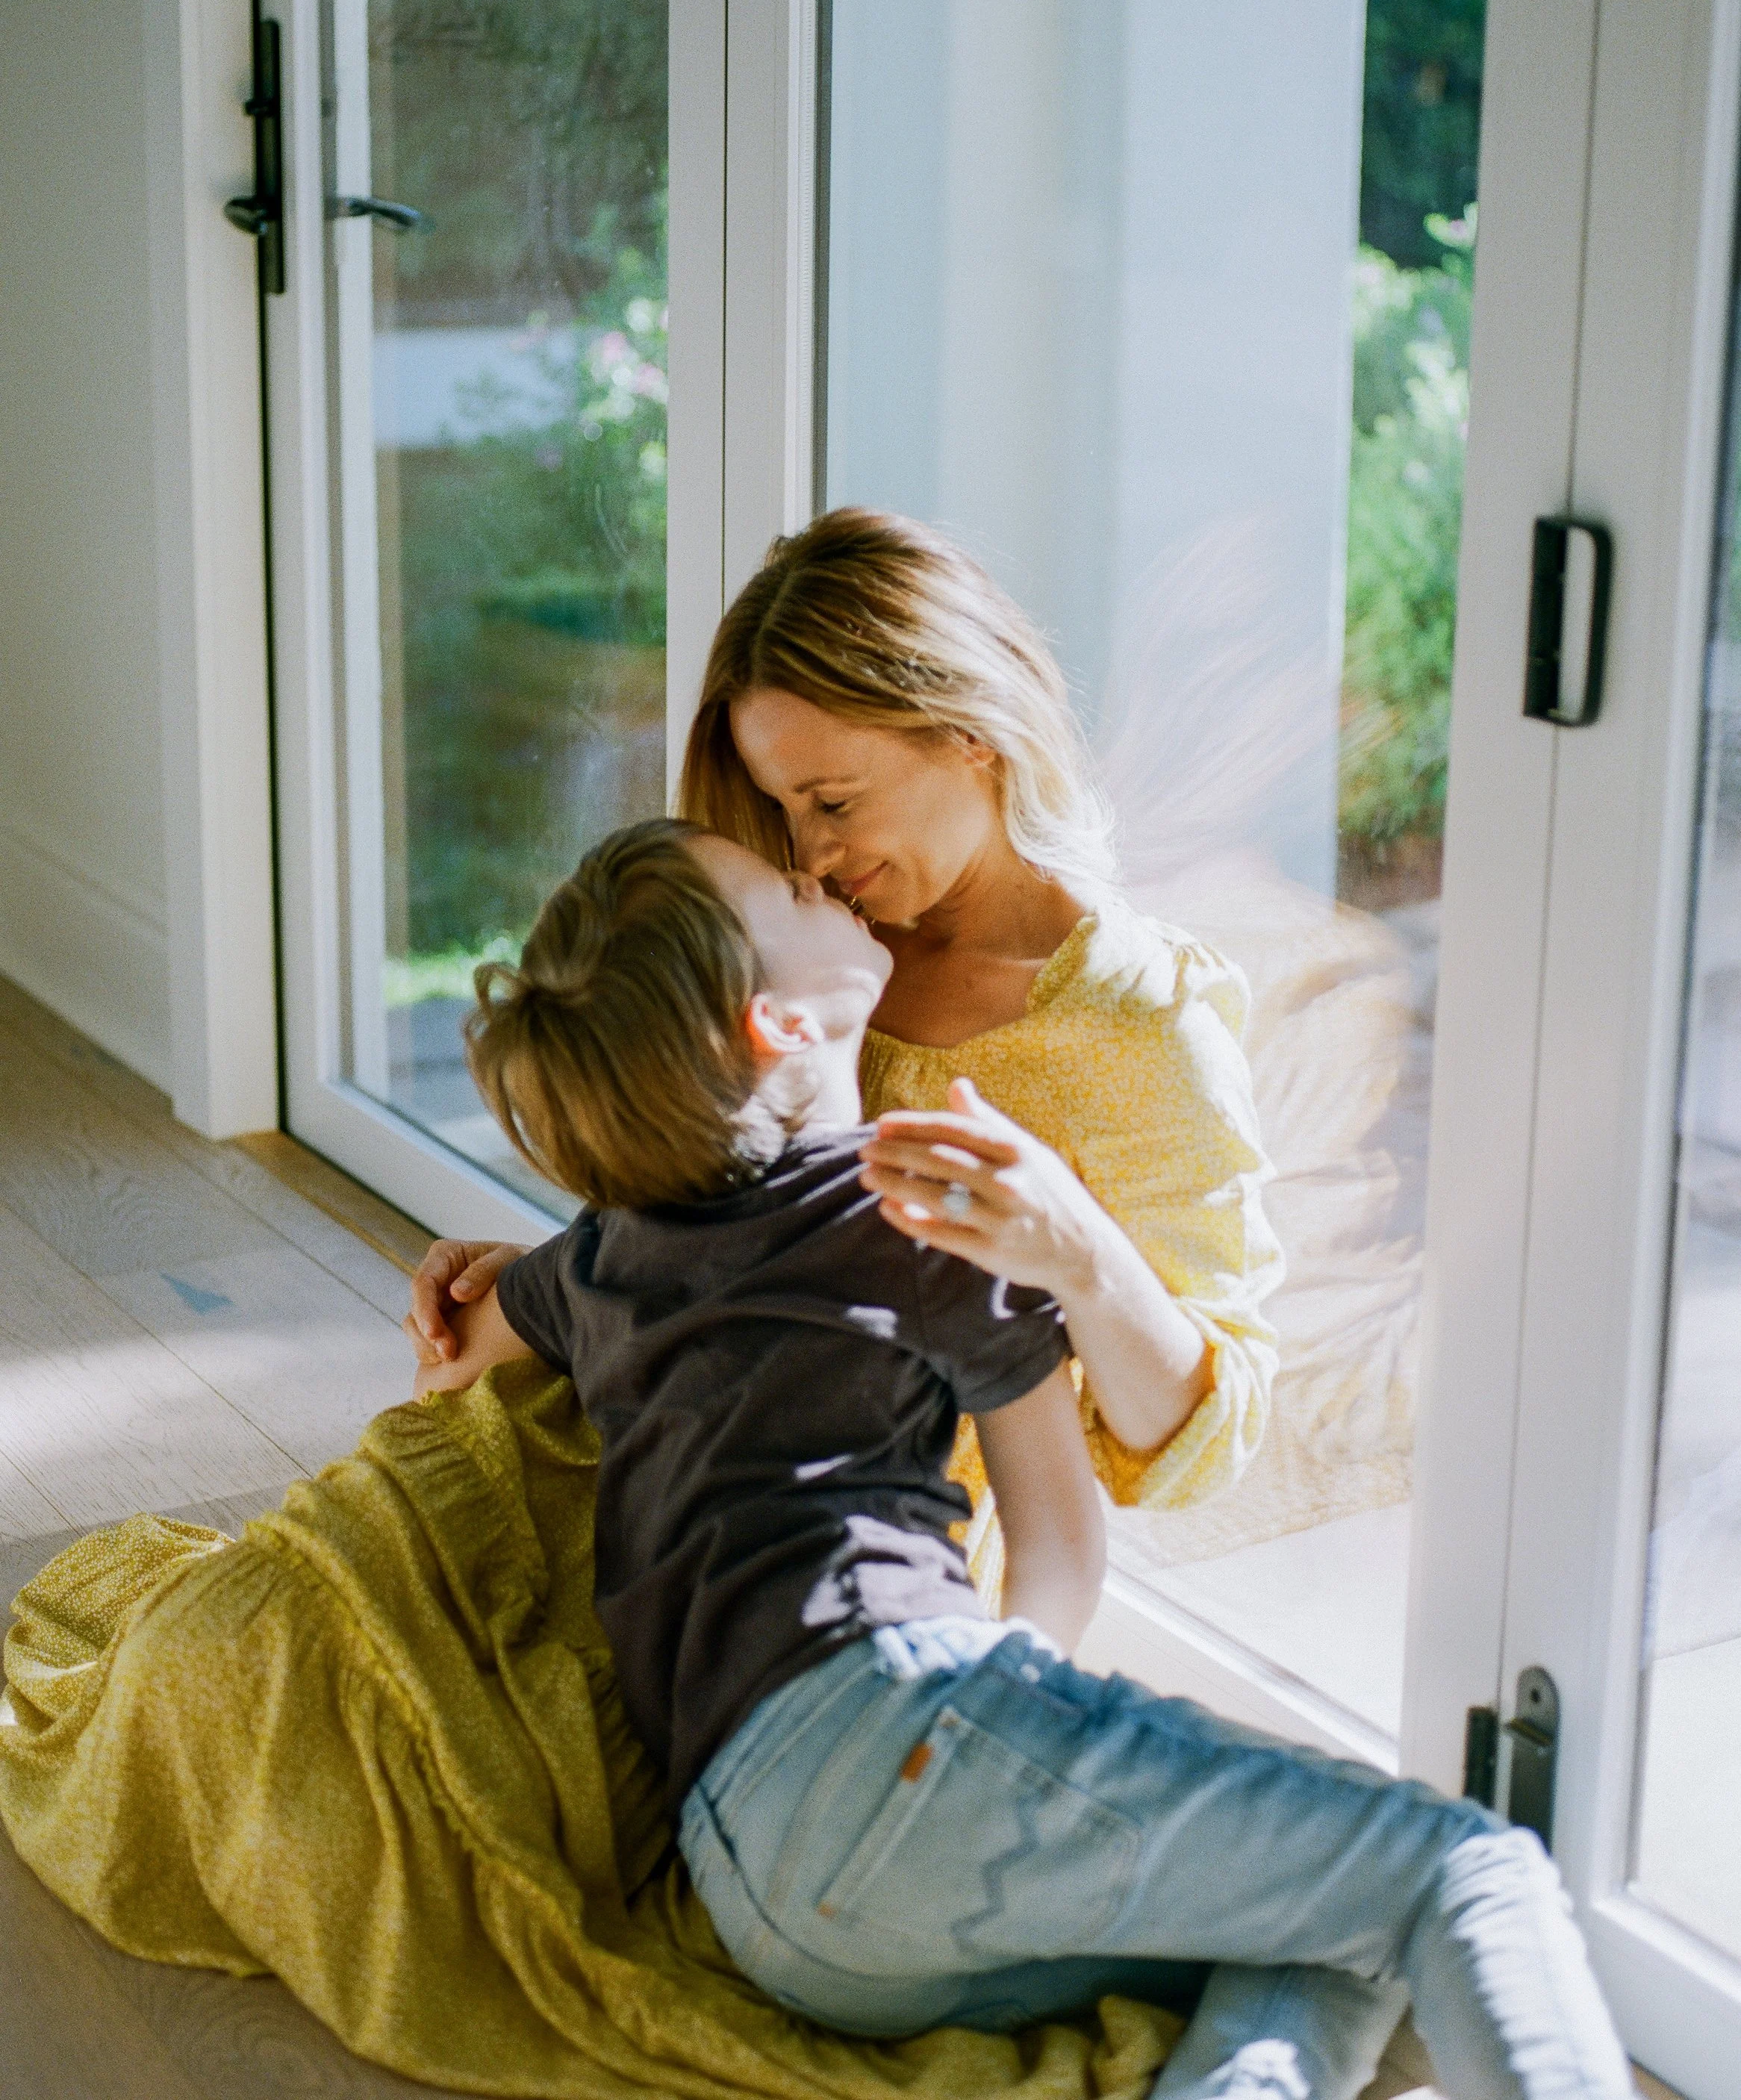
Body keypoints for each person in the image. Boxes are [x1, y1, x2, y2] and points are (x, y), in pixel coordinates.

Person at [411, 815, 1631, 2100]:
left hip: (764, 1895)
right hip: (900, 1730)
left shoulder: (600, 1258)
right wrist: (1016, 1748)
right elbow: (1059, 1546)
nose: (820, 868)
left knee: (1329, 1918)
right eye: (787, 883)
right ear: (777, 1025)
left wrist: (459, 1277)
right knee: (1470, 1867)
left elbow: (460, 1346)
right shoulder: (934, 1207)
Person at [412, 508, 1284, 1592]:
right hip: (657, 1516)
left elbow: (1200, 1447)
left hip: (859, 1594)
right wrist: (569, 1268)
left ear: (969, 729)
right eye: (785, 810)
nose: (814, 854)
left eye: (834, 801)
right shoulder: (804, 951)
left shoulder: (1134, 1027)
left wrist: (1083, 1258)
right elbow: (728, 1212)